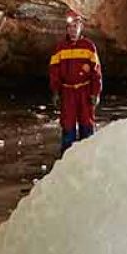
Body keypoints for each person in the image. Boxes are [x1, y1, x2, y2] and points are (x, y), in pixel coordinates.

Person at [48, 11, 103, 153]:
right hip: (67, 93)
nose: (73, 30)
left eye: (75, 26)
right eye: (70, 27)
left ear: (81, 27)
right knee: (68, 126)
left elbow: (96, 72)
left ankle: (88, 156)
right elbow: (54, 72)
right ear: (66, 29)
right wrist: (56, 92)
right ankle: (67, 157)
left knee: (87, 125)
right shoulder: (60, 48)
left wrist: (96, 93)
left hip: (85, 92)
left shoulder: (89, 46)